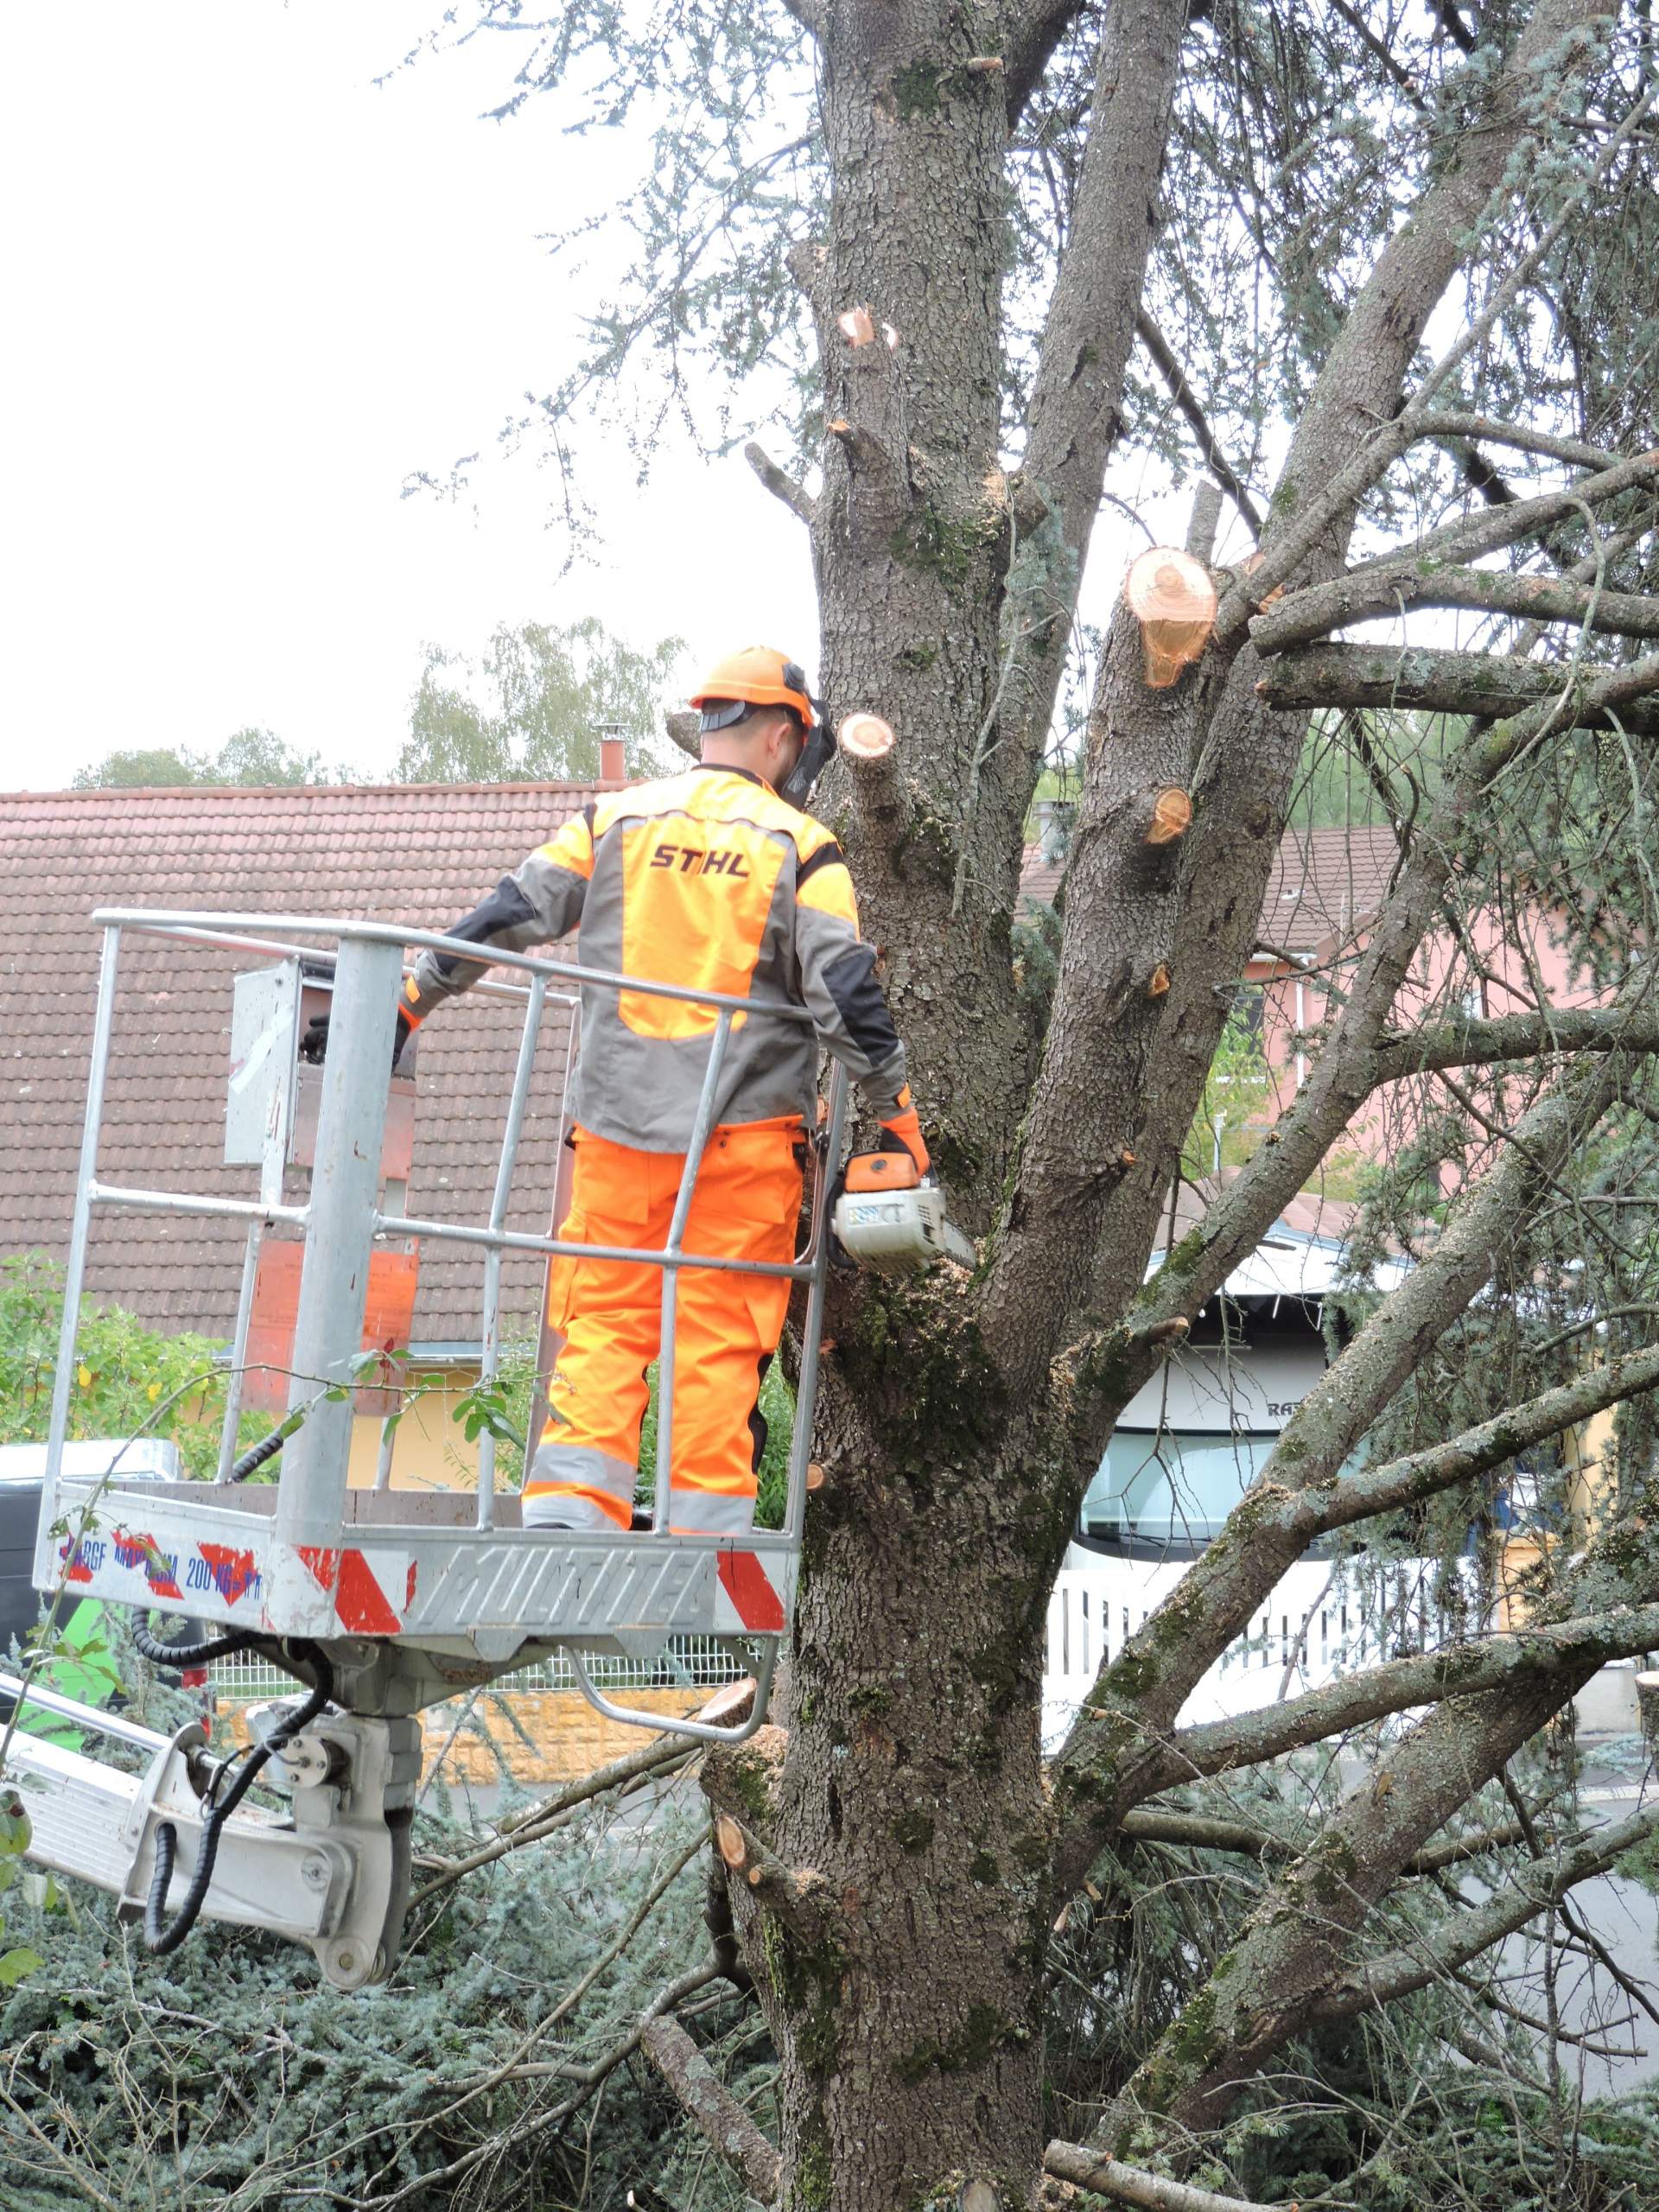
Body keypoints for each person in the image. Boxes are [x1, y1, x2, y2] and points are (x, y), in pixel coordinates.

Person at [397, 647, 925, 1536]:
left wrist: (410, 1003)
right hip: (744, 1146)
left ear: (711, 724)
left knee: (602, 1320)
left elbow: (503, 916)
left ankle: (570, 1513)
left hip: (612, 1137)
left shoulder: (615, 820)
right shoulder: (804, 847)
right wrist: (902, 1123)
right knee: (716, 1342)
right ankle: (701, 1537)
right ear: (785, 737)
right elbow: (848, 994)